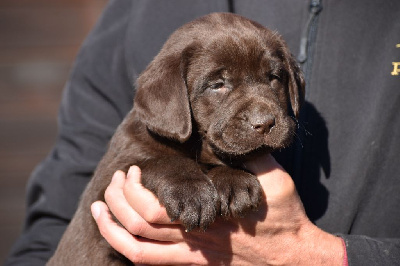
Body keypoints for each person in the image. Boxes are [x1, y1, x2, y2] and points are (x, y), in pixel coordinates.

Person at [6, 0, 400, 265]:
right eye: (219, 84)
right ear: (172, 99)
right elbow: (77, 194)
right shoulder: (138, 19)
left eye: (272, 78)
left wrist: (330, 255)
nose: (263, 112)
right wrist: (179, 177)